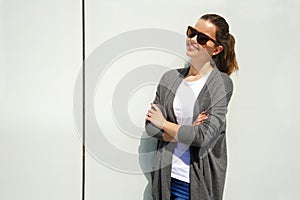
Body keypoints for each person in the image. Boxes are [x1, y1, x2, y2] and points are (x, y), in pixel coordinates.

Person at [145, 13, 239, 200]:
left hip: (197, 181)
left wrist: (164, 123)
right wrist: (187, 132)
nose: (193, 40)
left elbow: (203, 137)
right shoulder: (170, 78)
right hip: (166, 177)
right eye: (191, 33)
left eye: (203, 39)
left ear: (217, 49)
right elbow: (150, 127)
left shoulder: (220, 83)